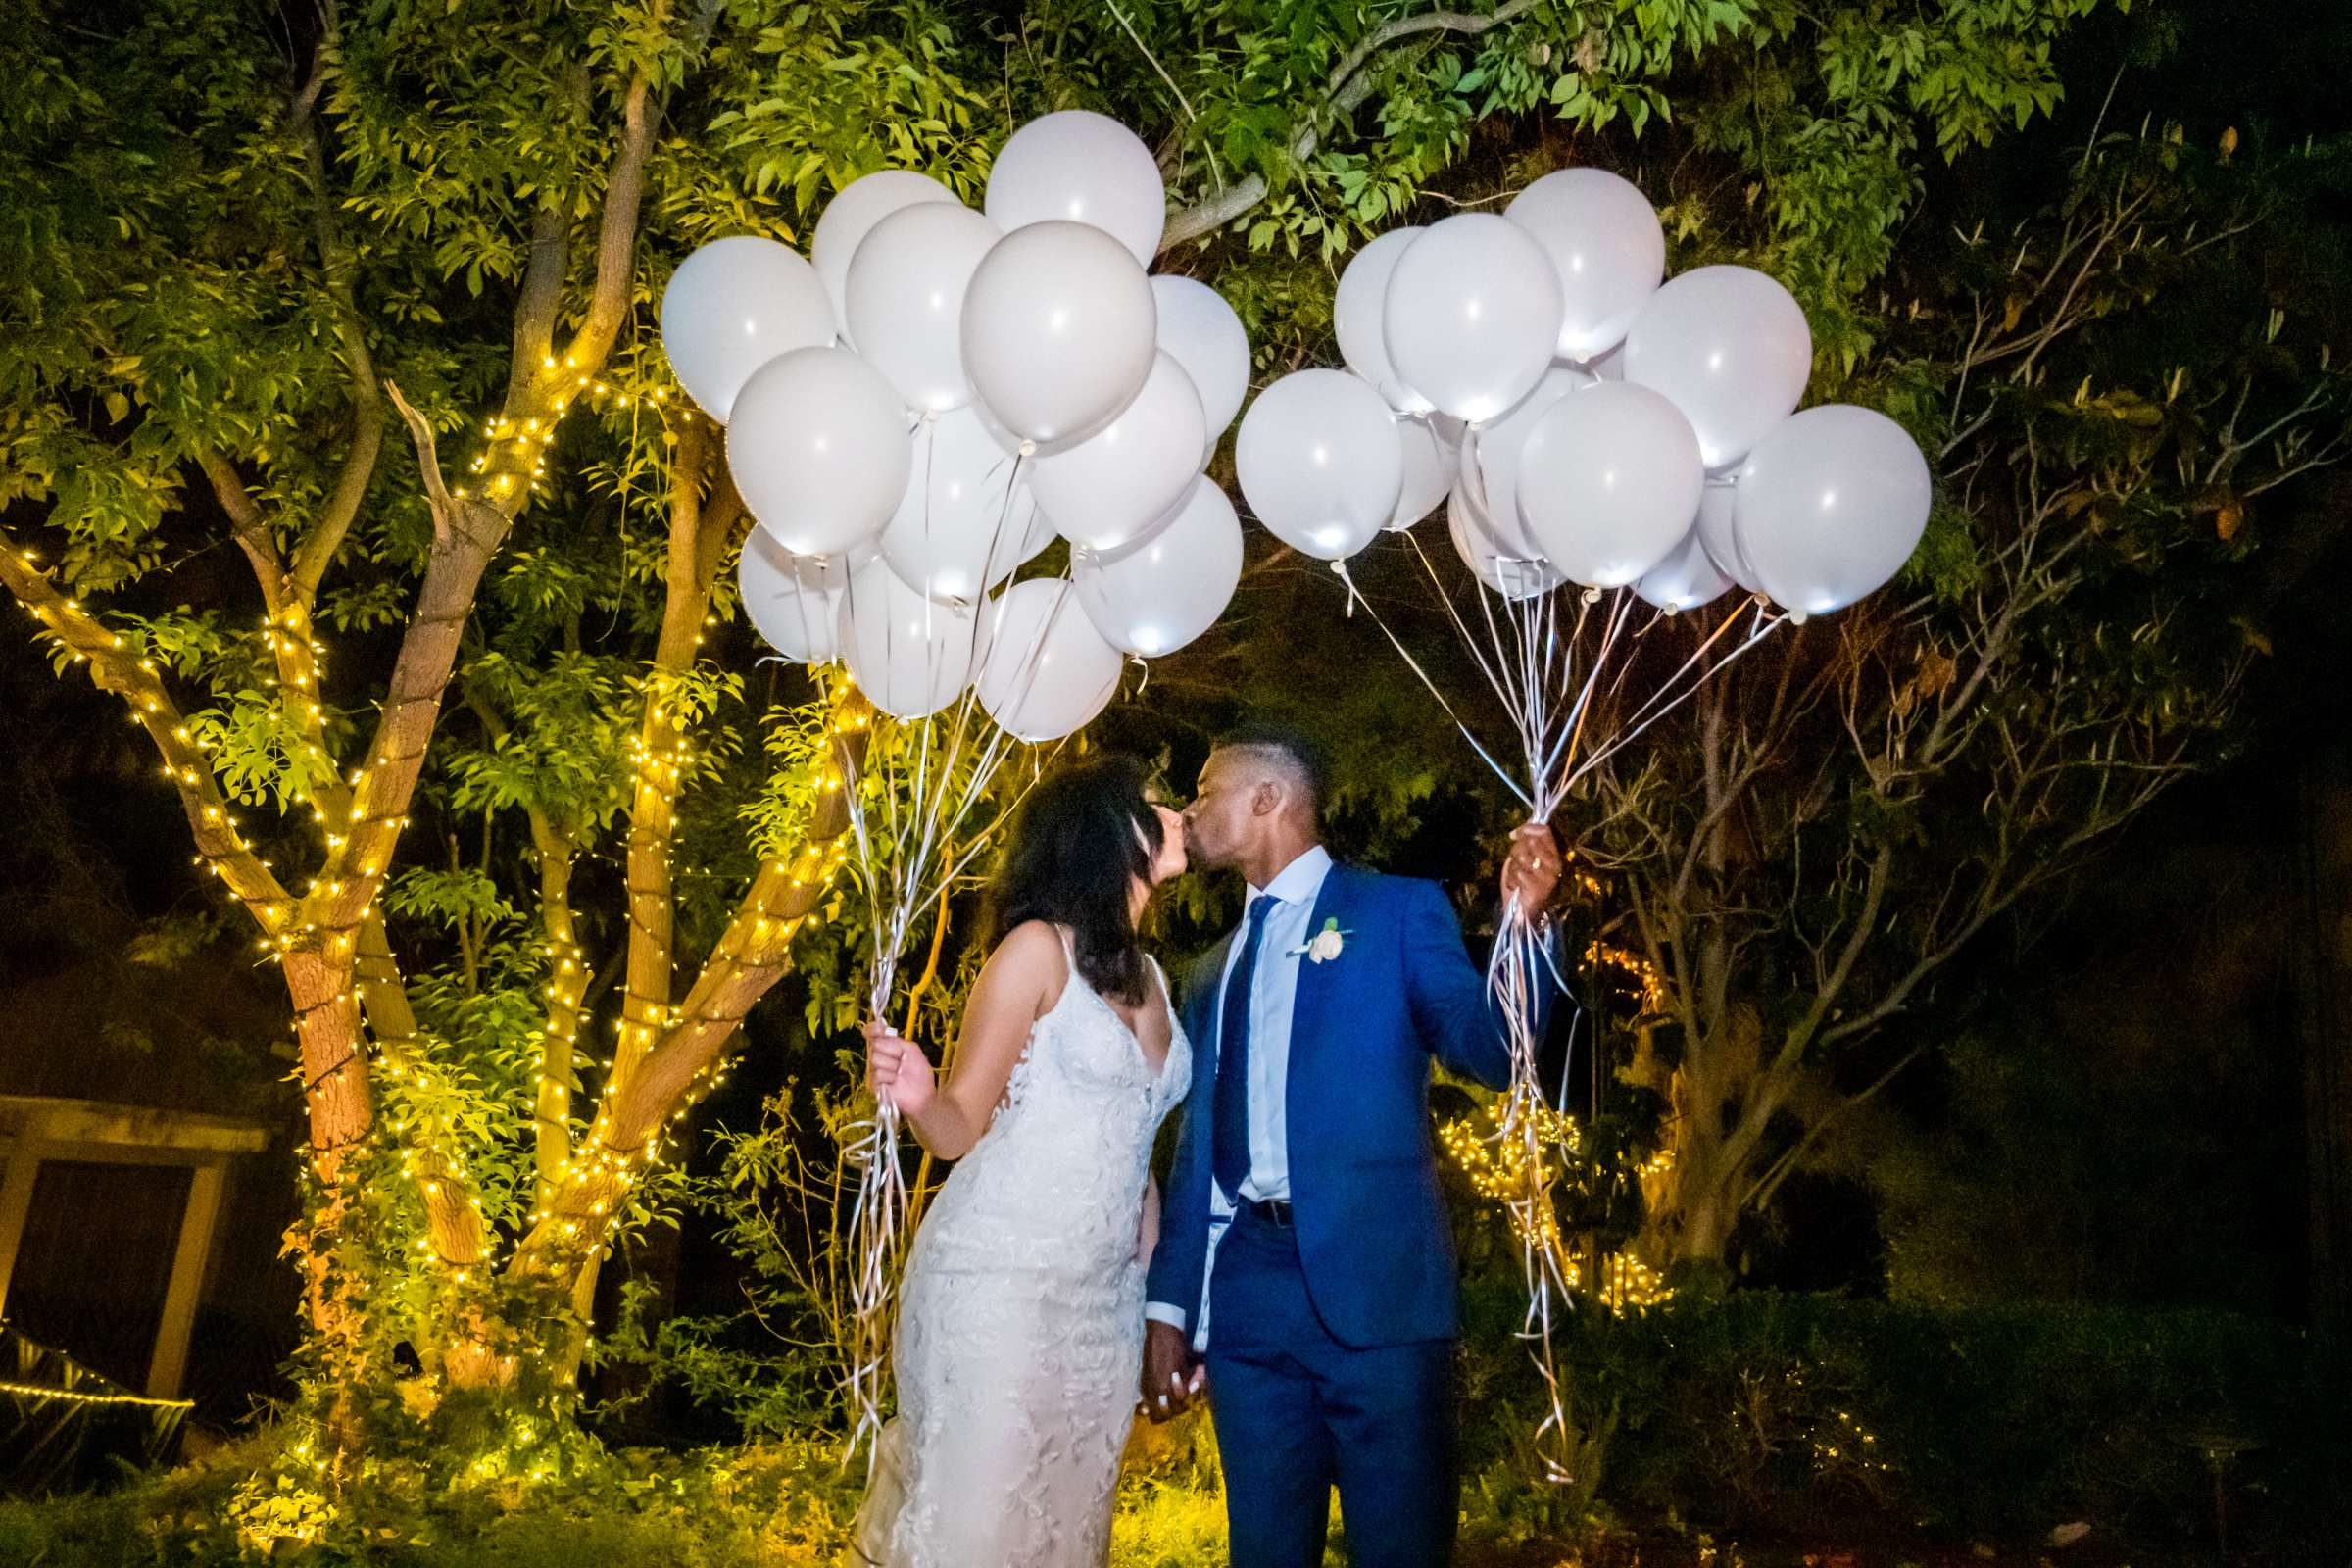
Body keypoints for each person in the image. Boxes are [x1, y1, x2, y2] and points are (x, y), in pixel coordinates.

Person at [1142, 720, 1562, 1568]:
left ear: (1269, 798)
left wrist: (1523, 932)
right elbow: (1197, 1160)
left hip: (1384, 1304)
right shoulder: (1207, 970)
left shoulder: (1399, 912)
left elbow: (1489, 1053)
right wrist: (1169, 1312)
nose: (1190, 811)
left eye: (1205, 791)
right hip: (1254, 1311)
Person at [852, 756, 1192, 1567]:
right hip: (998, 1286)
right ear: (1107, 831)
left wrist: (1157, 1304)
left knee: (1067, 1533)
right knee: (979, 1527)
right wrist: (921, 1095)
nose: (1178, 814)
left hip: (1101, 1311)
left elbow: (1133, 1151)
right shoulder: (1036, 952)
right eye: (1158, 803)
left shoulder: (1152, 977)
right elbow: (957, 1128)